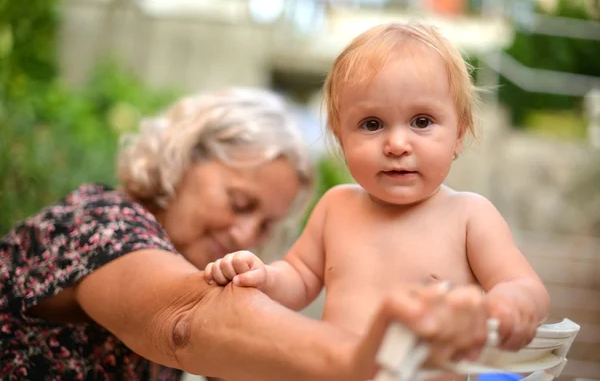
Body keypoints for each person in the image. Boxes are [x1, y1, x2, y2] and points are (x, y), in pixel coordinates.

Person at [0, 87, 492, 381]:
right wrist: (361, 360)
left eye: (265, 226)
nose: (244, 232)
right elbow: (184, 318)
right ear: (184, 157)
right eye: (239, 204)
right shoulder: (99, 219)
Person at [204, 23, 551, 369]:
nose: (397, 145)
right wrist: (265, 277)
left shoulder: (469, 216)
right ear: (342, 139)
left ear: (458, 134)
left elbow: (523, 284)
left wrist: (510, 302)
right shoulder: (335, 207)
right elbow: (299, 277)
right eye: (372, 124)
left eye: (421, 121)